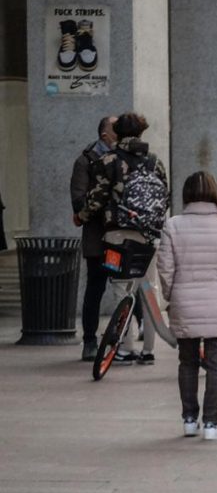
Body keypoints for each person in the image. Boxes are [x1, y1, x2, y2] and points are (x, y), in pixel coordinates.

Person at [156, 172, 217, 441]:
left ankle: (188, 420)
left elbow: (165, 268)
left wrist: (173, 294)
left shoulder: (173, 226)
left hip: (184, 300)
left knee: (187, 362)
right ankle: (211, 424)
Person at [77, 111, 170, 365]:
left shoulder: (108, 161)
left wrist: (81, 216)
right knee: (148, 290)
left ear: (118, 134)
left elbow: (96, 198)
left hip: (117, 234)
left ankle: (125, 348)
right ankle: (149, 350)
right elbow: (165, 197)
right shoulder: (154, 161)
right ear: (141, 133)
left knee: (121, 289)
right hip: (148, 235)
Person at [71, 114, 117, 361]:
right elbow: (78, 202)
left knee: (127, 286)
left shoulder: (124, 158)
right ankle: (90, 339)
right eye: (116, 129)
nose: (120, 134)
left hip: (121, 236)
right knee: (96, 287)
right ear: (104, 135)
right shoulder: (85, 161)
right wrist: (104, 202)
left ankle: (132, 331)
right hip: (98, 238)